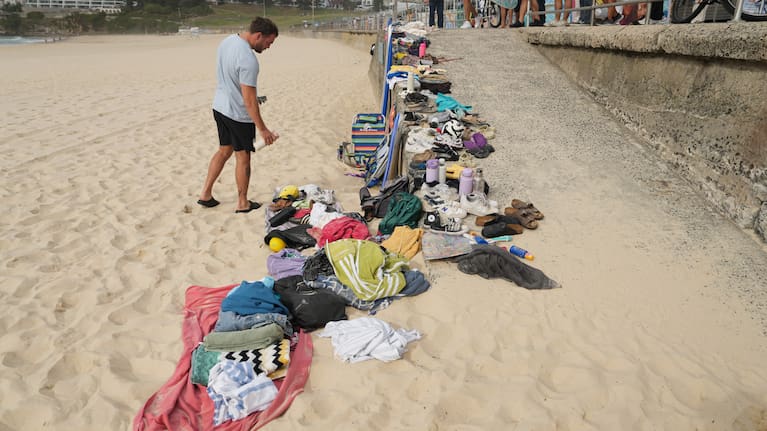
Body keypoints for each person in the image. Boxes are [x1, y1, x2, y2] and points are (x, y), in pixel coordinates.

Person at [198, 17, 279, 213]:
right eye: (269, 42)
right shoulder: (249, 60)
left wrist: (250, 97)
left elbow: (230, 76)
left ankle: (205, 195)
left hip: (219, 107)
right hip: (237, 114)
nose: (268, 47)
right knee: (243, 157)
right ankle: (243, 203)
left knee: (224, 150)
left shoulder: (228, 41)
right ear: (259, 35)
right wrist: (263, 130)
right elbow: (249, 102)